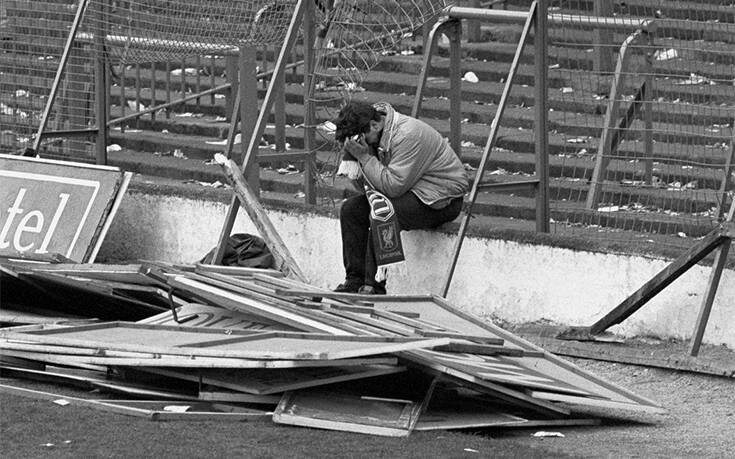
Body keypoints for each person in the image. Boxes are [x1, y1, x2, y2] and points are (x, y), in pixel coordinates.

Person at [333, 100, 469, 294]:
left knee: (384, 212)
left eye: (359, 138)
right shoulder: (372, 136)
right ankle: (354, 281)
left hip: (440, 200)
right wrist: (355, 157)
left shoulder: (408, 135)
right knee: (351, 210)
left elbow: (392, 187)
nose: (357, 143)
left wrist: (364, 157)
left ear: (375, 124)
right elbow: (367, 188)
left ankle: (374, 286)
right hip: (408, 190)